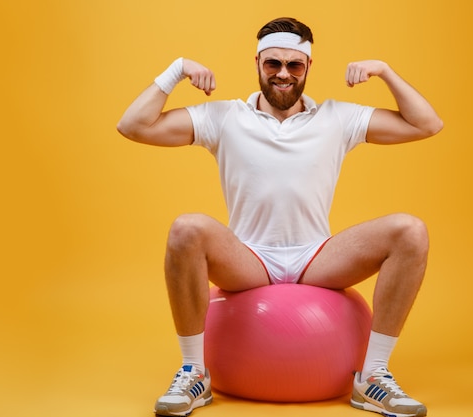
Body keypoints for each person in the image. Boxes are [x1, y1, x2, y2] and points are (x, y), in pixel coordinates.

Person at [117, 16, 443, 417]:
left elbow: (427, 123)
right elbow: (132, 125)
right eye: (273, 64)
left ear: (308, 67)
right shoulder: (223, 117)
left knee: (410, 231)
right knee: (187, 228)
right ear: (257, 63)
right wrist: (177, 70)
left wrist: (386, 72)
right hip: (249, 259)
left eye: (294, 65)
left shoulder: (338, 117)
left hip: (316, 258)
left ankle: (373, 376)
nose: (283, 74)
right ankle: (194, 372)